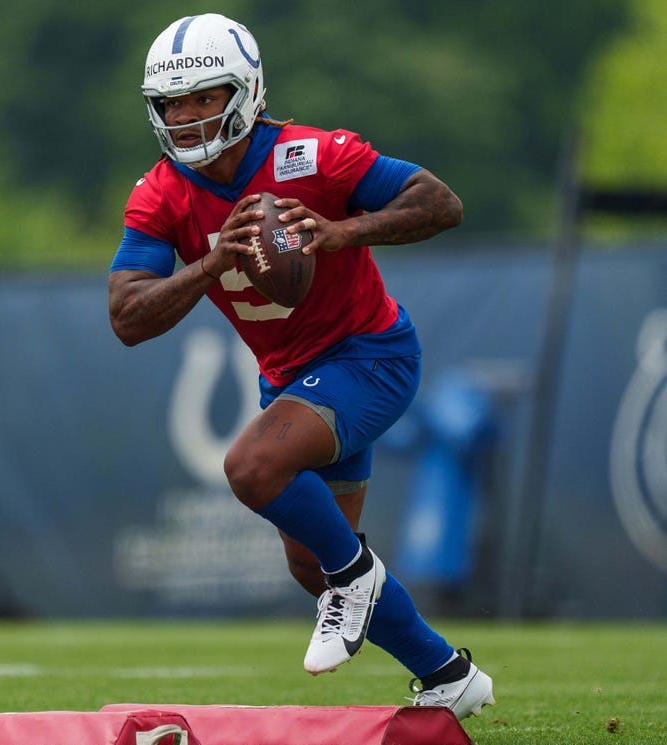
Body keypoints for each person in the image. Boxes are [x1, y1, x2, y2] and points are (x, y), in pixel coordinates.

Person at [108, 13, 495, 720]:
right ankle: (449, 673)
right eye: (172, 103)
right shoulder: (162, 191)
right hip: (289, 376)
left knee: (253, 468)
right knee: (309, 564)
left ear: (245, 92)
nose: (187, 117)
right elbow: (127, 315)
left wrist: (342, 231)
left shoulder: (311, 156)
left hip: (368, 356)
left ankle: (357, 575)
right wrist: (212, 260)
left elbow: (441, 203)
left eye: (203, 97)